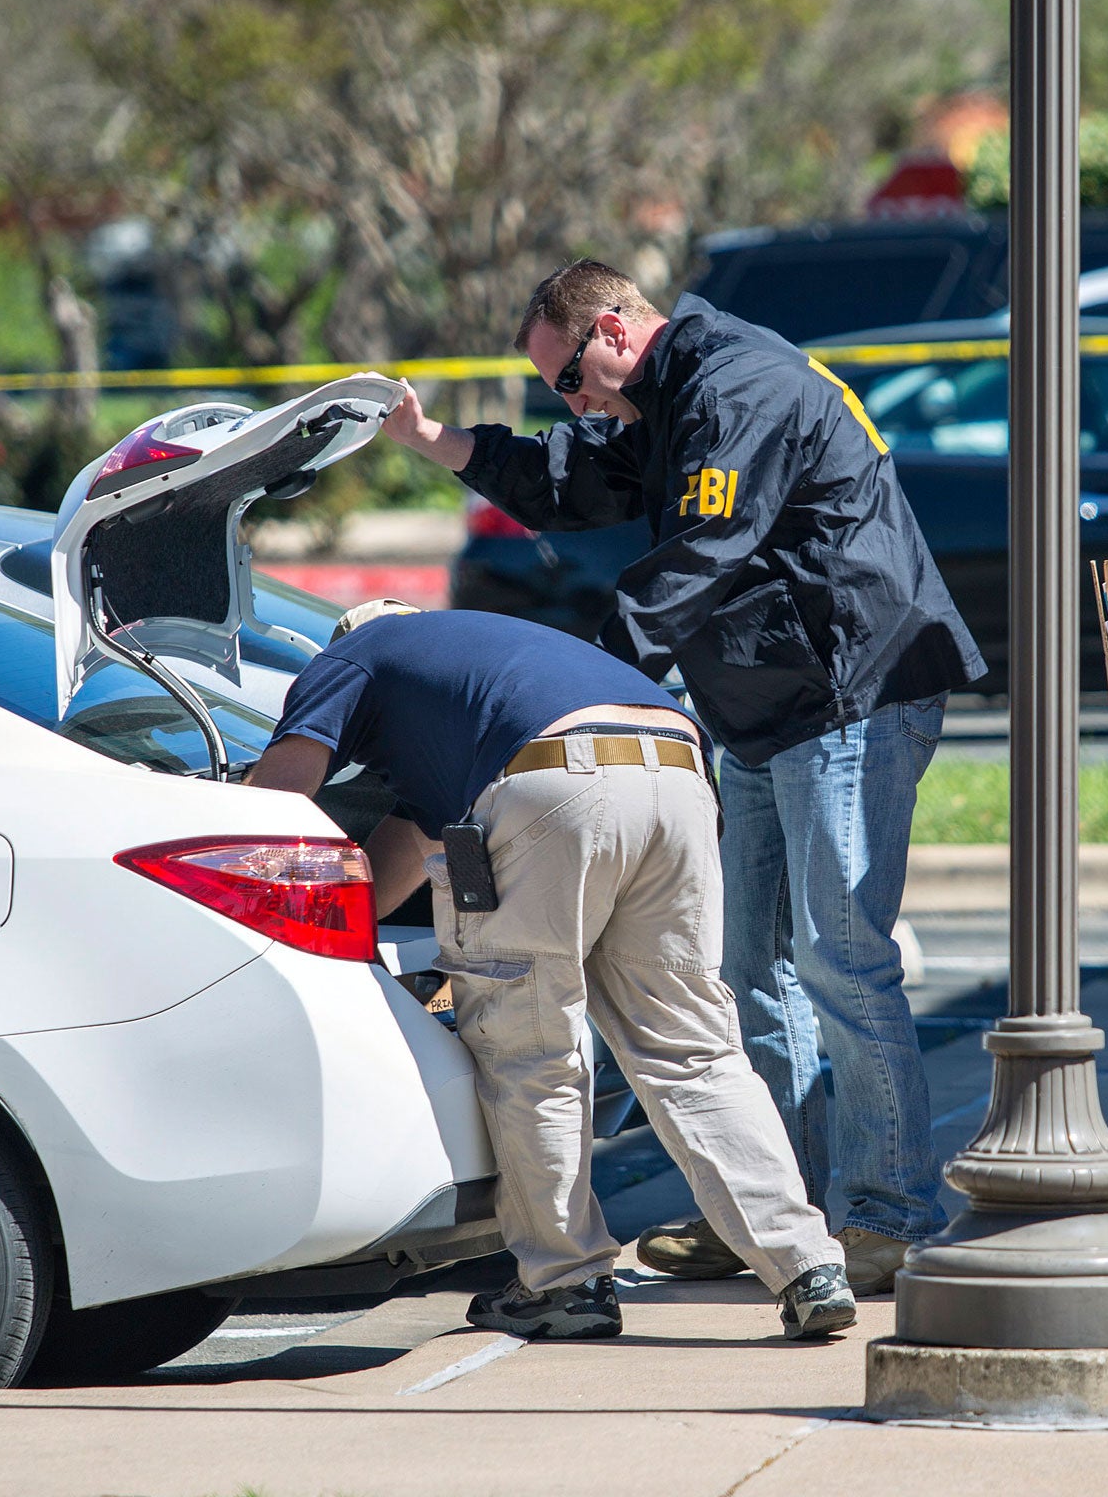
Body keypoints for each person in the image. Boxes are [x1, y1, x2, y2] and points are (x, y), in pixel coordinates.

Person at [375, 261, 986, 1297]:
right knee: (748, 976)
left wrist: (584, 685)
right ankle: (775, 1217)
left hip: (852, 695)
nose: (575, 403)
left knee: (840, 961)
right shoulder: (662, 397)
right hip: (759, 709)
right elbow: (569, 479)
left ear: (612, 329)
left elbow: (701, 549)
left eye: (571, 378)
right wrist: (429, 440)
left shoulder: (735, 383)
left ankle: (890, 1215)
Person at [244, 599, 857, 1341]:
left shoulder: (352, 654)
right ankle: (807, 1266)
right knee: (693, 1049)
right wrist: (343, 928)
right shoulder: (485, 669)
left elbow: (275, 805)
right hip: (680, 777)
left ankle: (566, 1282)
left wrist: (244, 920)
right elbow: (404, 848)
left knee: (530, 1046)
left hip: (555, 777)